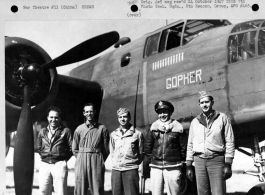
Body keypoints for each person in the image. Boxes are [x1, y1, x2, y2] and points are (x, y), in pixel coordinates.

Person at [186, 91, 235, 195]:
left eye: (207, 102)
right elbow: (190, 144)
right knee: (202, 193)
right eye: (202, 102)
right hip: (199, 162)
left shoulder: (222, 118)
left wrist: (228, 163)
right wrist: (189, 165)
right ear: (199, 104)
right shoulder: (195, 122)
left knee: (218, 192)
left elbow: (230, 140)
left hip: (216, 160)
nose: (204, 105)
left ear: (212, 102)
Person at [145, 100, 186, 195]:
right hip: (156, 167)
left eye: (165, 112)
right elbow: (147, 147)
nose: (162, 115)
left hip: (173, 167)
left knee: (173, 193)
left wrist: (178, 161)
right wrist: (154, 159)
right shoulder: (153, 129)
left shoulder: (178, 128)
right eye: (160, 113)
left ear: (170, 112)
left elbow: (184, 148)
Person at [72, 103, 110, 195]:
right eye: (87, 112)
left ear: (95, 112)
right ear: (84, 113)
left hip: (96, 158)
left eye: (91, 111)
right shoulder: (79, 129)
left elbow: (106, 148)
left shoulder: (102, 128)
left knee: (97, 186)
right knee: (80, 187)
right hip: (81, 159)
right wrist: (82, 157)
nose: (89, 113)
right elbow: (74, 148)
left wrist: (99, 158)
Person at [37, 106, 72, 195]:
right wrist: (44, 155)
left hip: (59, 164)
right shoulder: (42, 131)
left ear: (60, 118)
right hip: (44, 164)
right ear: (47, 118)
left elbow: (71, 148)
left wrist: (62, 158)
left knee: (60, 192)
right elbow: (38, 146)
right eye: (51, 117)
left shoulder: (66, 131)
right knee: (43, 191)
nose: (53, 119)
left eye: (56, 117)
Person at [109, 108, 144, 195]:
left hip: (131, 169)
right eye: (120, 117)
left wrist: (132, 162)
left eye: (125, 117)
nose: (122, 119)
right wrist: (115, 162)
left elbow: (141, 152)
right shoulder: (113, 134)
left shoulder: (137, 134)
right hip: (116, 169)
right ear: (118, 119)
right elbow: (112, 151)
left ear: (129, 118)